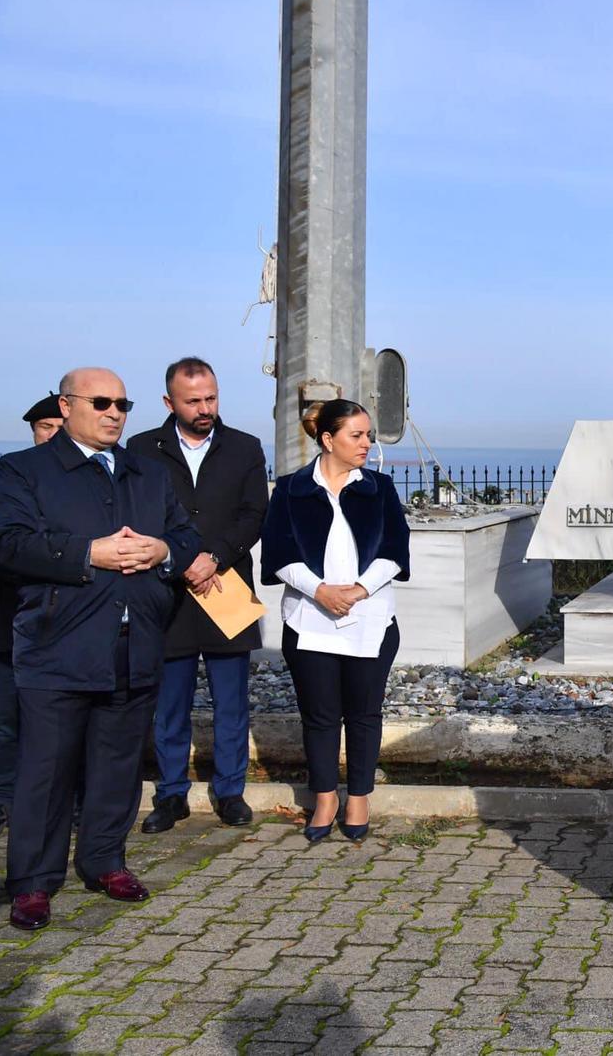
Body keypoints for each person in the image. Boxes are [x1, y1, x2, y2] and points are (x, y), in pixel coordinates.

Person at [0, 368, 199, 931]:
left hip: (136, 643)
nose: (114, 413)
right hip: (59, 645)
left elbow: (186, 536)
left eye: (123, 404)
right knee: (46, 770)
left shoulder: (147, 472)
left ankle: (104, 861)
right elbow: (4, 543)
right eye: (101, 402)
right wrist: (86, 554)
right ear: (66, 404)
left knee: (118, 765)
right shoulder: (24, 470)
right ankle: (33, 881)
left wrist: (163, 552)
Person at [127, 358, 269, 833]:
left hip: (228, 586)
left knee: (232, 702)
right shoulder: (141, 448)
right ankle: (171, 795)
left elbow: (254, 514)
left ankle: (230, 792)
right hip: (168, 591)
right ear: (169, 402)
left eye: (211, 398)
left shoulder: (245, 447)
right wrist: (183, 559)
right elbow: (139, 513)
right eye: (193, 401)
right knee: (170, 703)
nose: (205, 408)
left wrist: (215, 557)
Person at [261, 400, 409, 844]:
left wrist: (360, 590)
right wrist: (320, 591)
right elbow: (278, 551)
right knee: (320, 716)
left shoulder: (380, 488)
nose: (367, 444)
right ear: (328, 439)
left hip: (371, 620)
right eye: (356, 435)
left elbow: (395, 549)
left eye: (368, 435)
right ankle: (325, 797)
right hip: (309, 621)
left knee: (364, 713)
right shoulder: (291, 489)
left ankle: (359, 797)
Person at [0, 395, 65, 838]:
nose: (53, 434)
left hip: (66, 619)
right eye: (45, 427)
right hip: (6, 614)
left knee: (66, 719)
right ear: (33, 431)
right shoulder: (3, 473)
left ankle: (66, 800)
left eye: (60, 426)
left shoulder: (86, 480)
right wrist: (36, 571)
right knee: (5, 718)